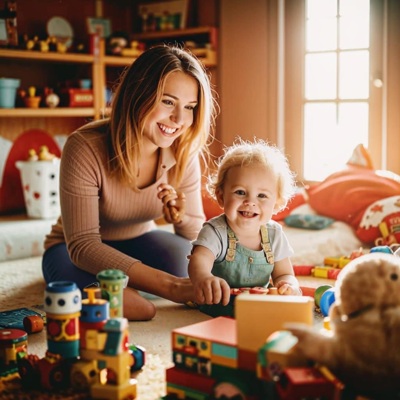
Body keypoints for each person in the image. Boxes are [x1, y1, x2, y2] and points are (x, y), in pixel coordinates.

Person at [42, 45, 218, 321]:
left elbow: (196, 235)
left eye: (190, 107)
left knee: (196, 266)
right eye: (168, 102)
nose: (180, 120)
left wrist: (181, 217)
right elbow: (84, 245)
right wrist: (169, 287)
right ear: (138, 94)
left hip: (141, 238)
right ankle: (129, 285)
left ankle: (133, 280)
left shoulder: (182, 150)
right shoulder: (84, 147)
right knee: (137, 307)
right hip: (73, 250)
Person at [188, 138, 302, 311]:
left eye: (262, 196)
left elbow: (284, 273)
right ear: (221, 196)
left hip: (256, 307)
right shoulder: (215, 231)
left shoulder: (274, 234)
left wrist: (288, 285)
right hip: (216, 304)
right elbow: (199, 259)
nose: (250, 202)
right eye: (240, 192)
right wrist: (204, 277)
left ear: (277, 203)